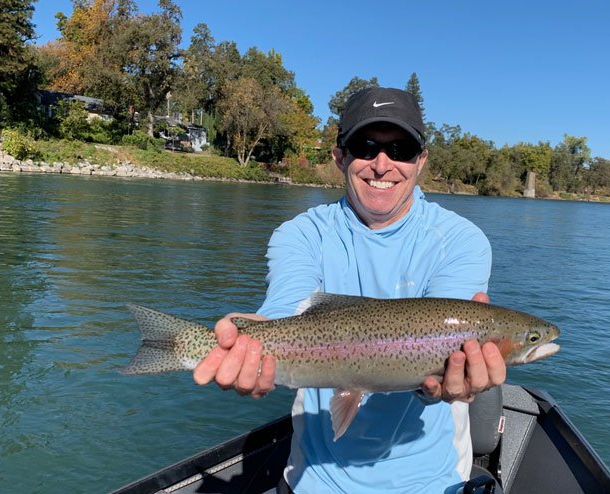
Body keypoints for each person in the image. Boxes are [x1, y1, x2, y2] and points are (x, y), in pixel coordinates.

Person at [193, 87, 506, 493]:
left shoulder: (461, 241)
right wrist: (247, 340)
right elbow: (282, 313)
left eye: (401, 149)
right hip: (314, 478)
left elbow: (442, 365)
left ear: (420, 161)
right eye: (365, 145)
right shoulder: (301, 234)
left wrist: (442, 388)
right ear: (340, 157)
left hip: (431, 481)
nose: (382, 164)